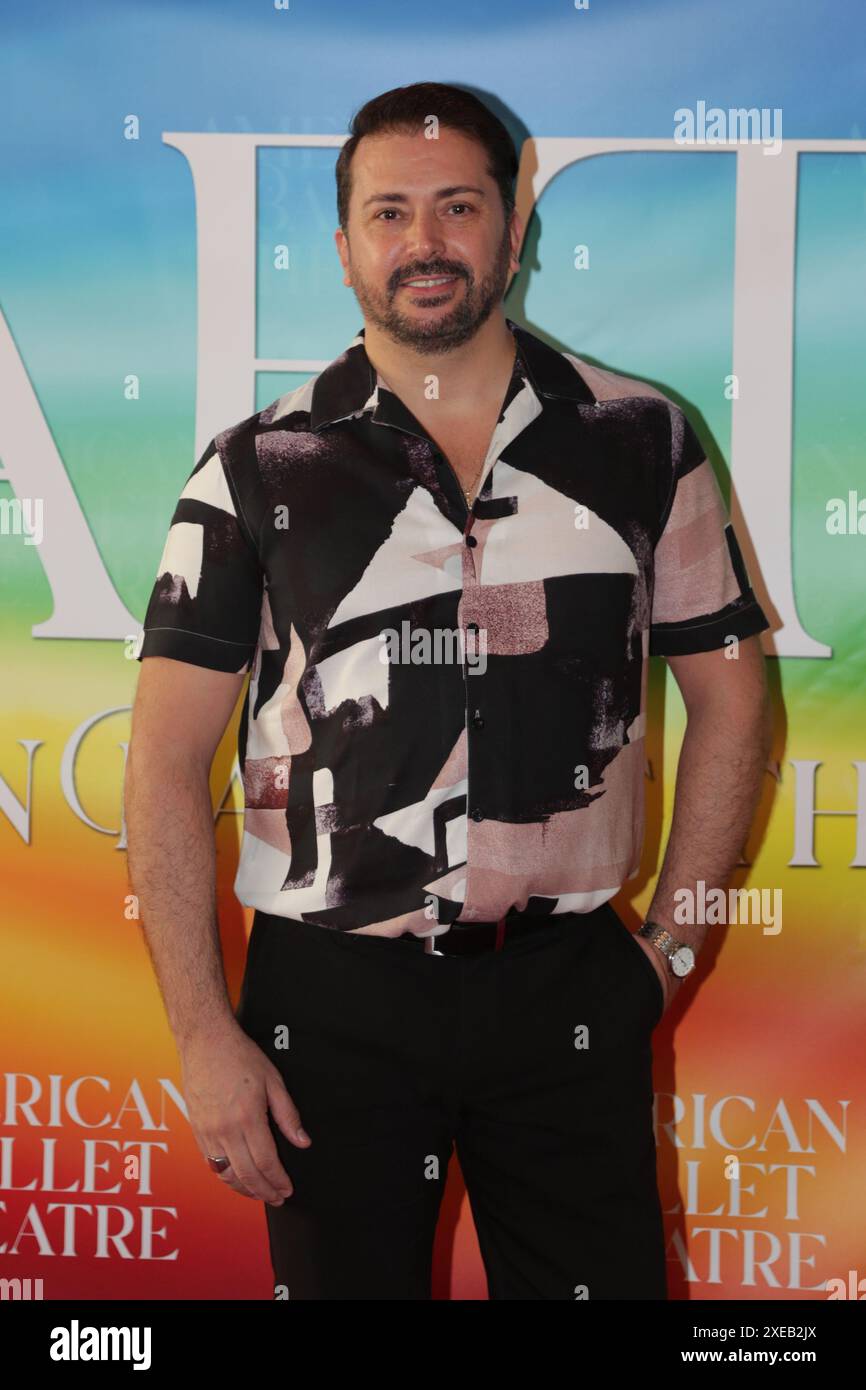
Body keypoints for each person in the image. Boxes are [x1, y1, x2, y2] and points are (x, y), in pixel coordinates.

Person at [125, 81, 773, 1300]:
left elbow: (733, 704)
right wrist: (206, 1038)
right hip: (330, 1001)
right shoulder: (254, 468)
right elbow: (163, 766)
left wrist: (669, 956)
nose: (423, 242)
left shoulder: (643, 440)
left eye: (456, 206)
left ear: (512, 226)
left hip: (570, 988)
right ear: (343, 249)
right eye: (388, 213)